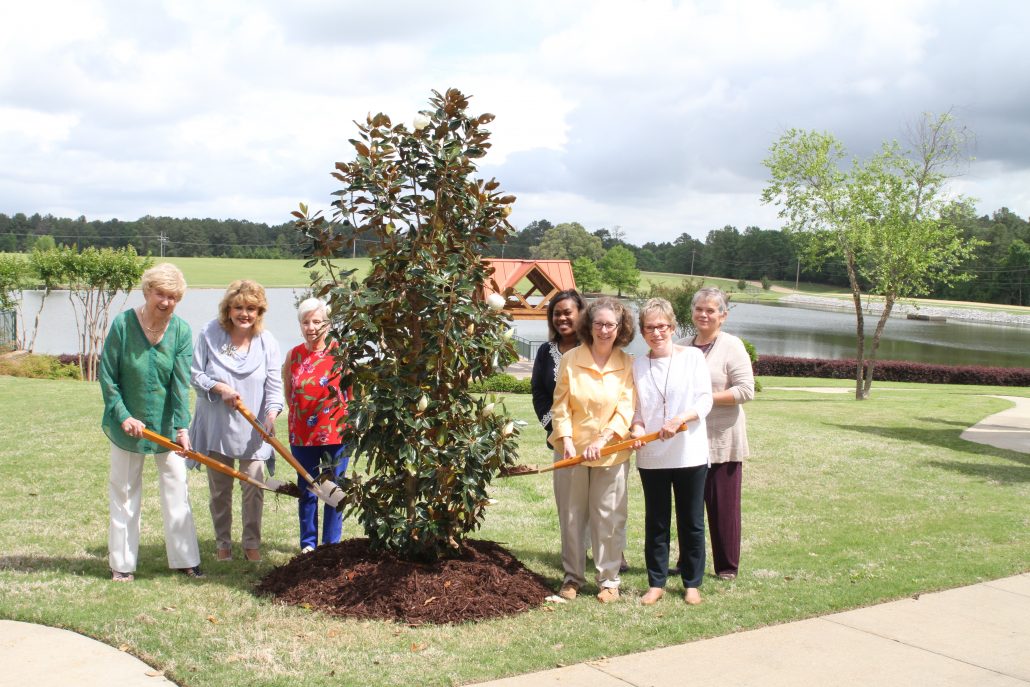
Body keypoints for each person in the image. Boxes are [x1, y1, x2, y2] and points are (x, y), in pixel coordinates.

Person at [99, 262, 203, 581]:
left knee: (176, 488)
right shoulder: (122, 325)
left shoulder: (182, 331)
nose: (166, 302)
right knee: (126, 491)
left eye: (173, 297)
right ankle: (122, 564)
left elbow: (180, 383)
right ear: (147, 291)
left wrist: (183, 428)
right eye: (161, 294)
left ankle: (186, 559)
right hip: (126, 427)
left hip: (166, 428)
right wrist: (123, 416)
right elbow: (108, 377)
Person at [549, 297, 635, 603]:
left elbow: (626, 408)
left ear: (621, 328)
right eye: (598, 323)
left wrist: (603, 440)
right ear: (589, 324)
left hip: (611, 453)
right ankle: (572, 577)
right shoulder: (571, 359)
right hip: (571, 453)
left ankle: (609, 580)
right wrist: (568, 441)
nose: (604, 329)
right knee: (572, 516)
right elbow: (559, 405)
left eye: (611, 324)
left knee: (609, 516)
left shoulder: (626, 363)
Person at [190, 279, 283, 563]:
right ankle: (223, 544)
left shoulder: (267, 342)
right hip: (217, 426)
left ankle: (251, 543)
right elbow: (195, 374)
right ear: (228, 309)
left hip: (253, 430)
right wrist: (220, 388)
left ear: (259, 311)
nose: (245, 313)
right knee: (220, 490)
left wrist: (271, 415)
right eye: (239, 307)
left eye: (251, 308)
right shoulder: (209, 334)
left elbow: (274, 387)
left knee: (254, 487)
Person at [629, 298, 712, 605]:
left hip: (689, 453)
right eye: (649, 327)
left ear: (673, 327)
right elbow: (637, 411)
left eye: (662, 326)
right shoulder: (637, 365)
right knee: (657, 521)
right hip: (652, 457)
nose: (656, 332)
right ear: (642, 331)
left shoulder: (692, 357)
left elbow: (705, 400)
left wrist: (680, 419)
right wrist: (637, 429)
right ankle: (656, 582)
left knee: (691, 520)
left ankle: (692, 582)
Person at [683, 286, 755, 580]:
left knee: (722, 507)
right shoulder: (683, 345)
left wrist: (707, 399)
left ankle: (726, 566)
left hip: (722, 439)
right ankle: (688, 562)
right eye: (699, 309)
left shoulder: (732, 346)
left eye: (711, 310)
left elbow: (745, 391)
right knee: (689, 509)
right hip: (688, 441)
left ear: (723, 316)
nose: (704, 314)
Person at [283, 297, 349, 553]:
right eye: (306, 322)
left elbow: (351, 393)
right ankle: (308, 545)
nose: (311, 327)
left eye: (317, 321)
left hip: (336, 433)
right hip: (303, 434)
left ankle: (331, 545)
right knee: (308, 489)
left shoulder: (341, 353)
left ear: (328, 323)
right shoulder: (294, 355)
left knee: (334, 489)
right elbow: (290, 393)